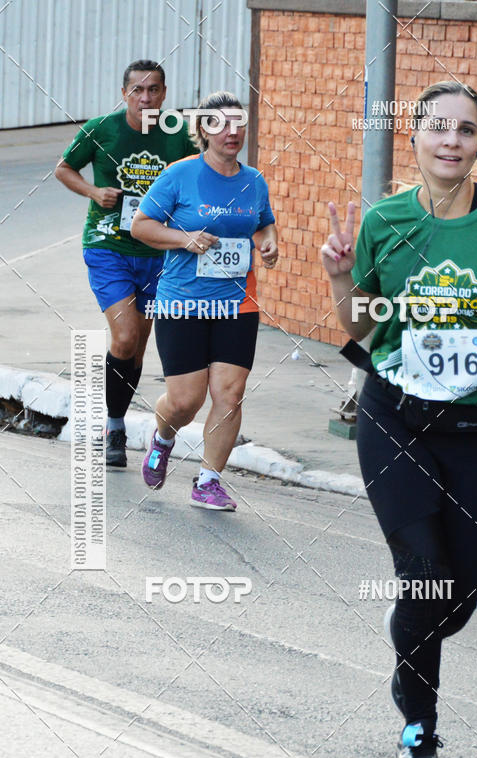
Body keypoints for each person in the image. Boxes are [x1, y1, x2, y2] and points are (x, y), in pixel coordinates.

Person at [322, 81, 477, 758]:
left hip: (475, 424)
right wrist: (340, 280)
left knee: (457, 597)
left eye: (465, 130)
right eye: (438, 127)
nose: (450, 140)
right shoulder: (384, 221)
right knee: (425, 577)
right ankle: (418, 728)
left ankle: (412, 635)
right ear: (416, 138)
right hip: (393, 414)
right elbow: (361, 328)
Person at [131, 91, 278, 510]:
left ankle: (208, 480)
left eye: (239, 123)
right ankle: (162, 437)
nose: (232, 132)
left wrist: (268, 246)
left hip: (237, 302)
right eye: (221, 124)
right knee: (186, 401)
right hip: (184, 302)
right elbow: (142, 225)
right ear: (203, 130)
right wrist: (185, 239)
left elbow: (265, 225)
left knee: (229, 394)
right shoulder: (179, 176)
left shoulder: (254, 181)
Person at [55, 60, 197, 467]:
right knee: (123, 337)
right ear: (125, 94)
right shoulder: (102, 129)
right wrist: (94, 191)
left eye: (153, 90)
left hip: (157, 256)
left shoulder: (178, 136)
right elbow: (64, 169)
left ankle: (114, 419)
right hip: (108, 247)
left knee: (136, 349)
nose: (145, 98)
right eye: (138, 90)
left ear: (165, 94)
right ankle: (114, 427)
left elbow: (196, 179)